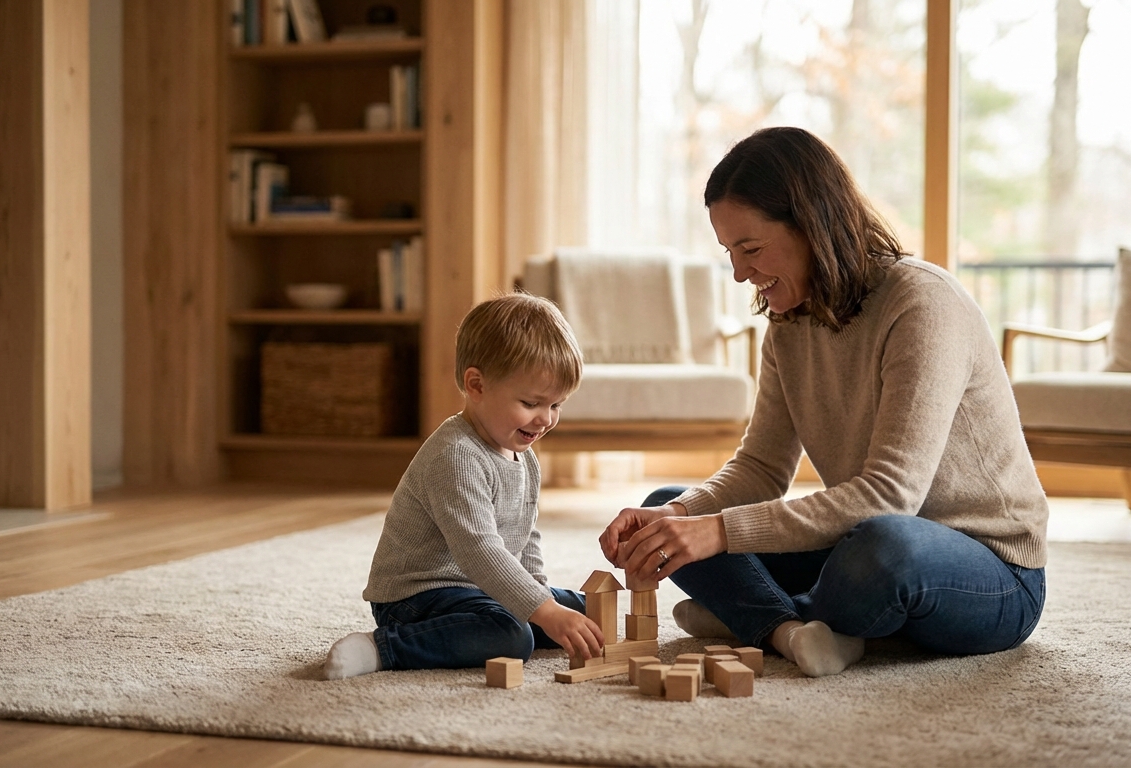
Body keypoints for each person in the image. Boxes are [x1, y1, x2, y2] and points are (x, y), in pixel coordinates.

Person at [599, 127, 1048, 678]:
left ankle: (755, 614)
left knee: (882, 548)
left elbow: (889, 496)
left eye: (751, 249)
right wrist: (679, 517)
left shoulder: (923, 303)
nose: (739, 273)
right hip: (858, 542)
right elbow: (761, 469)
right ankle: (792, 630)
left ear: (813, 224)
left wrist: (717, 533)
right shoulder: (787, 325)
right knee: (669, 506)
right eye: (729, 252)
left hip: (992, 573)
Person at [324, 293, 603, 679]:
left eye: (556, 405)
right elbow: (479, 550)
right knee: (512, 637)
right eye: (531, 403)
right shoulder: (455, 455)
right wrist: (541, 611)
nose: (545, 419)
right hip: (418, 597)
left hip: (481, 588)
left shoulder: (523, 454)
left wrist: (539, 596)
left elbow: (526, 536)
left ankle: (526, 612)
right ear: (476, 385)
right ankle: (384, 647)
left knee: (590, 611)